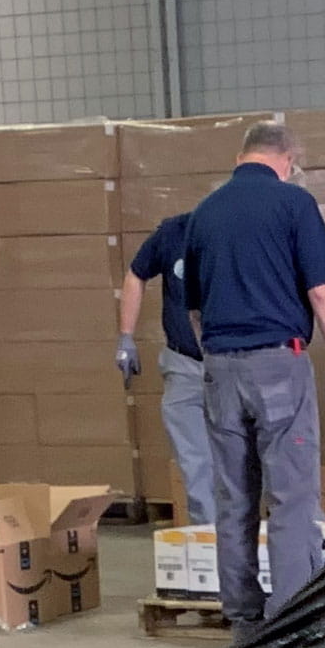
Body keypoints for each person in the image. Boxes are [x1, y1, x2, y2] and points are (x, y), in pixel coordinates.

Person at [180, 121, 325, 634]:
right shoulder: (293, 203)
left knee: (234, 498)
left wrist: (217, 357)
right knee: (291, 495)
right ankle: (291, 620)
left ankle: (242, 621)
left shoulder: (204, 212)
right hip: (279, 363)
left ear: (243, 155)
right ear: (286, 158)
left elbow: (193, 309)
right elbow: (321, 292)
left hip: (218, 366)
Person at [116, 212, 214, 532]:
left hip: (234, 368)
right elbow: (136, 273)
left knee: (252, 465)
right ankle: (214, 551)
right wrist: (126, 336)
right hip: (184, 365)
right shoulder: (174, 232)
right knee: (197, 468)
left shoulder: (241, 234)